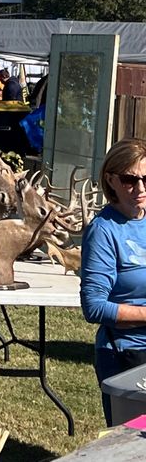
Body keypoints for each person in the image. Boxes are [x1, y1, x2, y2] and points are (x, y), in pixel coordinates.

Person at [81, 138, 146, 425]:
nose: (140, 189)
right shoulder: (103, 231)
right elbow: (94, 307)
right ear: (111, 180)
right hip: (127, 354)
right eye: (130, 180)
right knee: (132, 446)